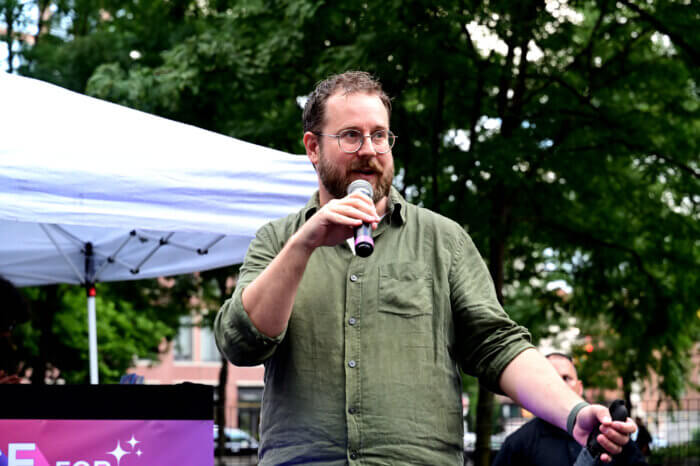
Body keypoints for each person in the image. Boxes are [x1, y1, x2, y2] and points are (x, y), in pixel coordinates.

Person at [214, 71, 636, 465]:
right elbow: (242, 343)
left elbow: (498, 346)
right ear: (312, 147)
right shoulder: (278, 239)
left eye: (379, 135)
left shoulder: (443, 239)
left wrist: (572, 412)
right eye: (350, 136)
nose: (368, 150)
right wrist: (305, 243)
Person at [492, 353, 647, 465]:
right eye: (552, 378)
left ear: (580, 387)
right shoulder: (518, 444)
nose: (560, 386)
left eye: (566, 378)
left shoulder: (610, 435)